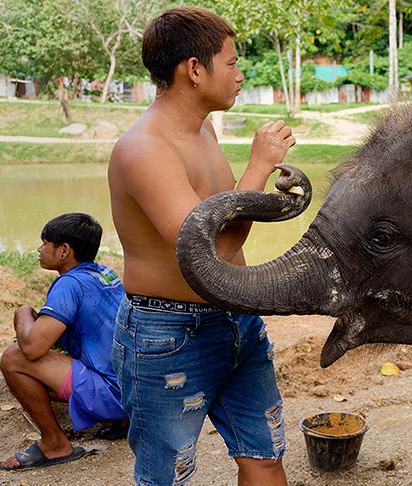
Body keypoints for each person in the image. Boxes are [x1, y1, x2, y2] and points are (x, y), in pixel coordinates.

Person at [107, 7, 295, 486]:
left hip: (237, 319)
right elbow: (209, 253)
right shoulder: (145, 149)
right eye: (231, 63)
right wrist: (258, 167)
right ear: (194, 69)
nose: (240, 75)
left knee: (264, 454)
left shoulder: (203, 128)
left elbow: (221, 212)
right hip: (168, 336)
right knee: (166, 477)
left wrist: (271, 194)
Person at [0, 213, 127, 471]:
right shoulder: (104, 274)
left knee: (14, 358)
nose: (39, 249)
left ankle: (54, 444)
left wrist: (22, 312)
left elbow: (33, 349)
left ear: (64, 251)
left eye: (45, 243)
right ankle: (123, 422)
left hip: (112, 395)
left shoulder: (69, 284)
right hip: (135, 391)